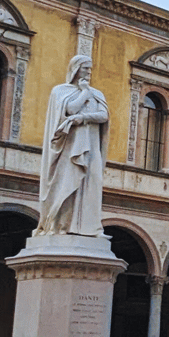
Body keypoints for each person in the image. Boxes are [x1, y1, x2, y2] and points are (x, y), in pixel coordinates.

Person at [36, 54, 110, 236]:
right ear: (76, 69)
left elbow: (104, 116)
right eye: (85, 68)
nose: (89, 72)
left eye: (90, 68)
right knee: (67, 185)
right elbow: (71, 109)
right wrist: (84, 92)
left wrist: (83, 118)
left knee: (92, 184)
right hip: (68, 150)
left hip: (91, 147)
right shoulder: (60, 91)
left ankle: (90, 228)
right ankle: (62, 226)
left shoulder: (97, 94)